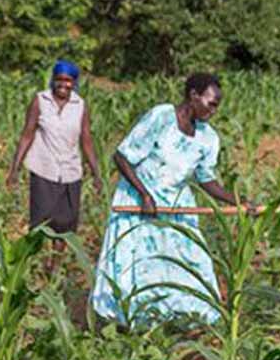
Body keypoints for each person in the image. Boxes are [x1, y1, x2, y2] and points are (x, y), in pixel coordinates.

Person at [90, 73, 245, 325]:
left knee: (188, 261)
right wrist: (144, 195)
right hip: (139, 202)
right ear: (193, 95)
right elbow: (122, 157)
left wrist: (237, 200)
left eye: (217, 105)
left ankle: (180, 319)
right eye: (211, 103)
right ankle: (129, 322)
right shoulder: (161, 117)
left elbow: (207, 180)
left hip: (177, 206)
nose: (214, 110)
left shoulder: (208, 138)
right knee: (139, 264)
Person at [6, 59, 103, 246]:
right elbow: (27, 134)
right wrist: (14, 170)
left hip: (70, 173)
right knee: (40, 224)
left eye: (68, 80)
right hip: (44, 171)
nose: (63, 84)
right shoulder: (40, 100)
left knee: (65, 226)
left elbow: (87, 141)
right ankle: (36, 262)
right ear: (53, 80)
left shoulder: (80, 106)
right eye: (59, 79)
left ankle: (55, 269)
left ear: (74, 83)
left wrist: (96, 174)